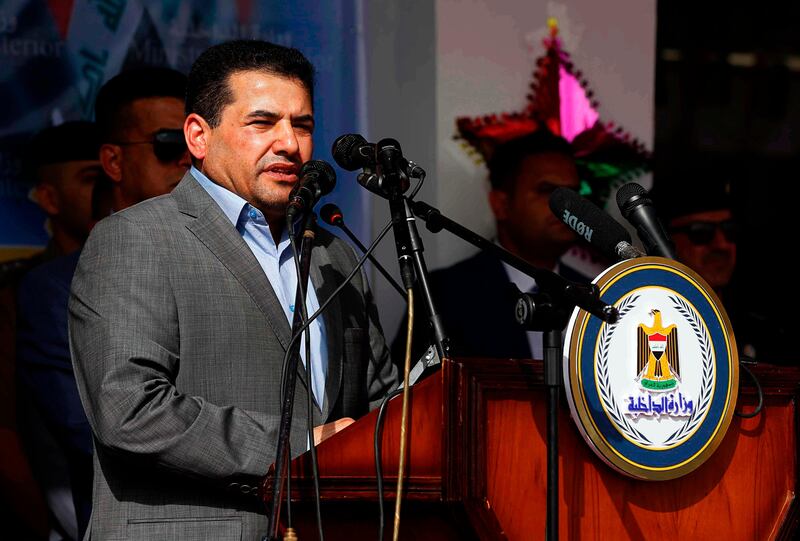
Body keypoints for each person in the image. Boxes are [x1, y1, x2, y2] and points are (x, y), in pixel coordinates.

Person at [68, 40, 398, 540]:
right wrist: (299, 446)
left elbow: (377, 403)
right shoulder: (135, 238)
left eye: (303, 125)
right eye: (262, 123)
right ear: (199, 136)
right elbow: (128, 411)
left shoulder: (335, 252)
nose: (290, 143)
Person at [15, 67, 190, 541]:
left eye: (198, 147)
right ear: (113, 162)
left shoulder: (241, 261)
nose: (187, 165)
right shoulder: (57, 288)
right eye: (168, 146)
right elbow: (95, 435)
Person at [393, 129, 590, 365]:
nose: (567, 207)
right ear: (501, 205)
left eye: (574, 193)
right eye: (547, 191)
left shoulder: (593, 295)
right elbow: (409, 393)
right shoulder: (444, 294)